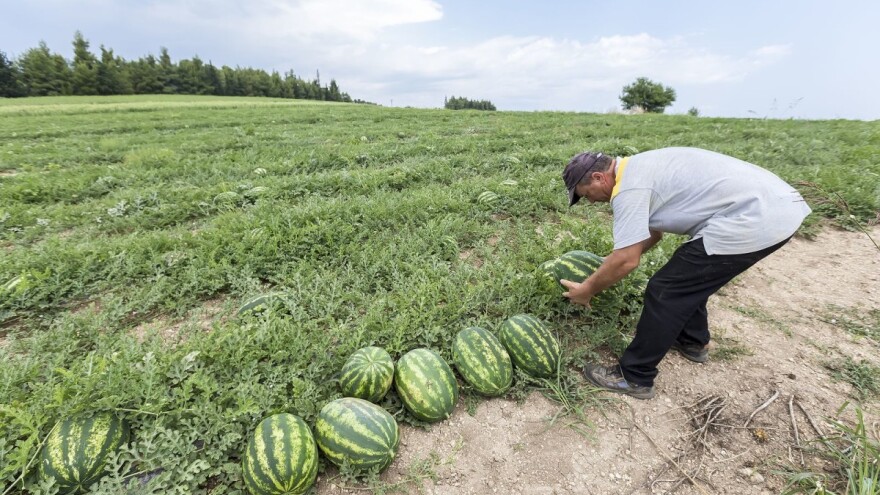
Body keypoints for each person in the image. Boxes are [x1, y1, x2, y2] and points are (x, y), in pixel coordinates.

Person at [561, 147, 811, 399]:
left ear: (598, 177)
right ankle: (692, 341)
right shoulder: (637, 168)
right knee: (690, 277)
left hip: (756, 217)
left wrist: (587, 290)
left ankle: (635, 376)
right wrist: (610, 262)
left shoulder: (630, 190)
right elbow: (651, 234)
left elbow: (627, 261)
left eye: (586, 195)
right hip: (778, 204)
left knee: (666, 290)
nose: (591, 202)